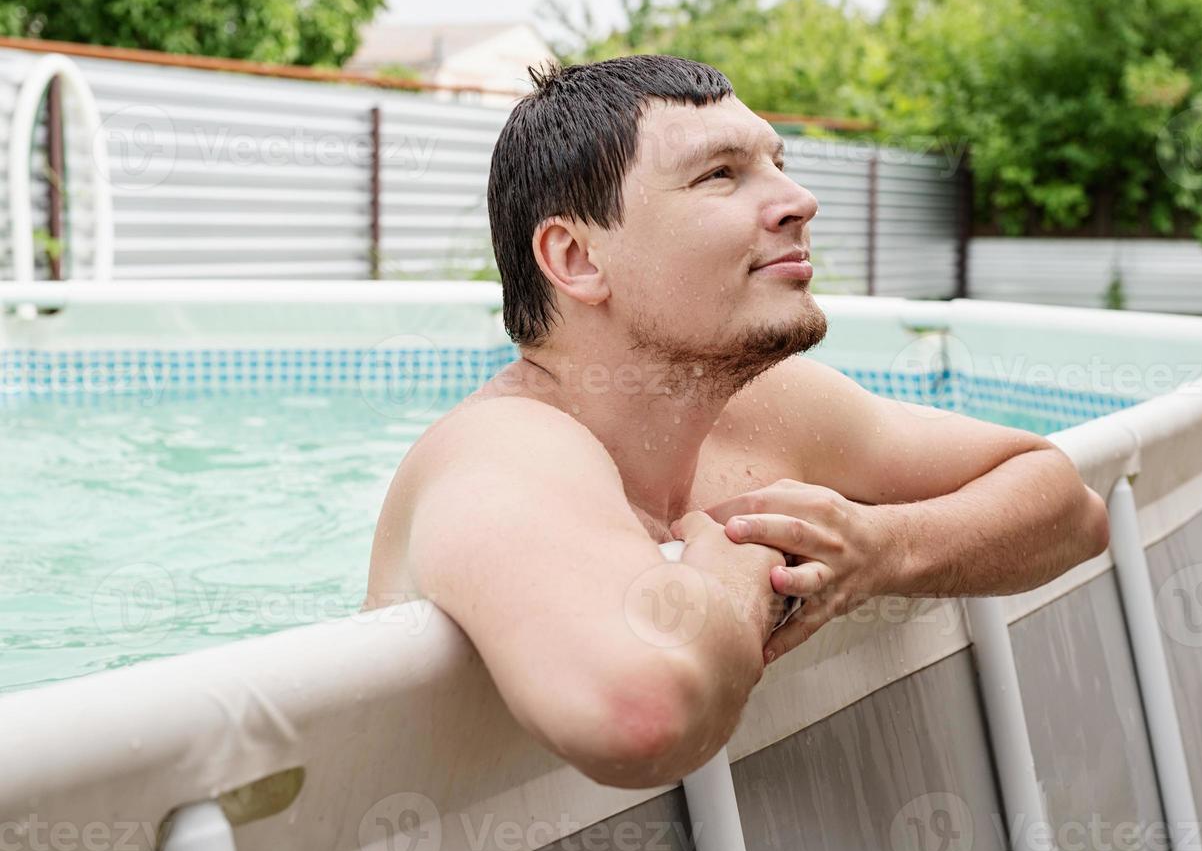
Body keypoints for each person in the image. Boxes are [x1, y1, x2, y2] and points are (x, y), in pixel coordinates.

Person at [364, 54, 1109, 790]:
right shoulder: (502, 451)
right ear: (577, 257)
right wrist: (737, 574)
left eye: (776, 163)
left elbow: (1070, 506)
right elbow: (638, 715)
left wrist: (883, 548)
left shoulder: (765, 406)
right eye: (719, 174)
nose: (799, 200)